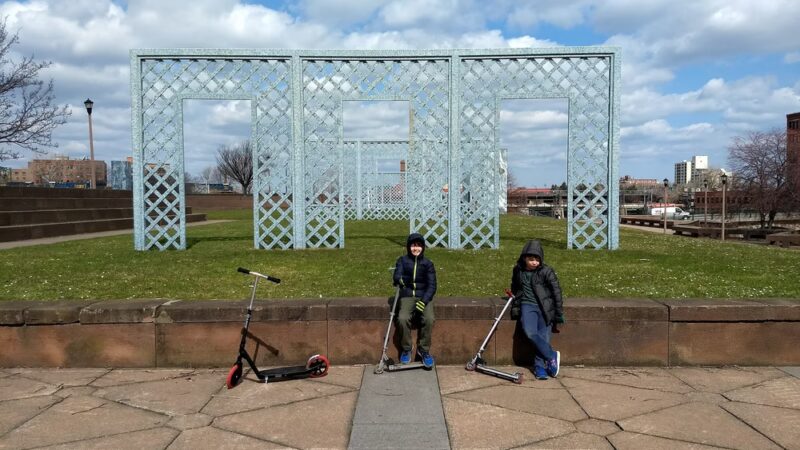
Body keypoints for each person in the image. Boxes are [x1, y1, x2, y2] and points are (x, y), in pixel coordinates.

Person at [510, 239, 564, 380]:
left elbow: (556, 291)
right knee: (530, 332)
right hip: (528, 305)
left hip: (545, 308)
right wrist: (515, 301)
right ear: (524, 258)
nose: (534, 262)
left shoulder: (546, 271)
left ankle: (540, 367)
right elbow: (515, 286)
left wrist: (558, 313)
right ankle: (551, 355)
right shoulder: (518, 270)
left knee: (544, 337)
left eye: (537, 259)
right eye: (531, 259)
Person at [393, 232, 437, 368]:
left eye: (418, 246)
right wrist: (402, 279)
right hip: (407, 295)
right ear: (408, 247)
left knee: (429, 319)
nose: (416, 248)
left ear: (423, 247)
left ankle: (423, 350)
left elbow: (432, 285)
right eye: (413, 245)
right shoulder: (402, 260)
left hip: (424, 296)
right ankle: (407, 348)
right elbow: (397, 277)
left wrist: (423, 301)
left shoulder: (428, 264)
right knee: (402, 318)